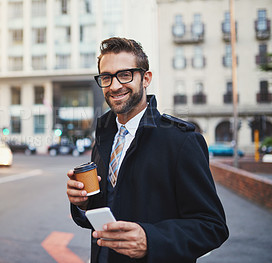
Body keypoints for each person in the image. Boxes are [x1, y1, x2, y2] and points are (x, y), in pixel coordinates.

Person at [66, 37, 229, 263]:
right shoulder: (103, 136)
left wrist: (151, 239)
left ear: (146, 78)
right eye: (106, 77)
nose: (114, 86)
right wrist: (83, 204)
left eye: (125, 75)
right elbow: (107, 209)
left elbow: (212, 226)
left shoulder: (181, 141)